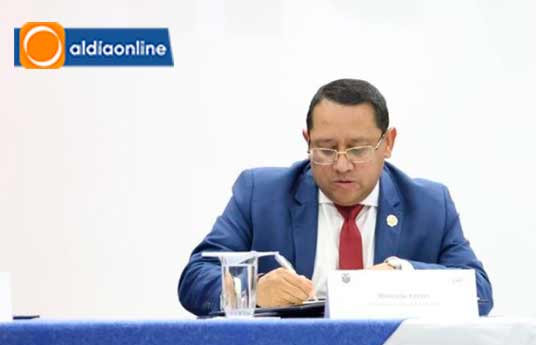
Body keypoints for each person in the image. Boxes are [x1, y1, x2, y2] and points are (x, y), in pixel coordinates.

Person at [179, 79, 493, 316]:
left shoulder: (429, 205)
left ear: (388, 143)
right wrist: (253, 290)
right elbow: (195, 278)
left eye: (358, 149)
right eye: (326, 149)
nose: (342, 165)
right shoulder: (260, 194)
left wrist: (402, 276)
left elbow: (479, 293)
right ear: (307, 141)